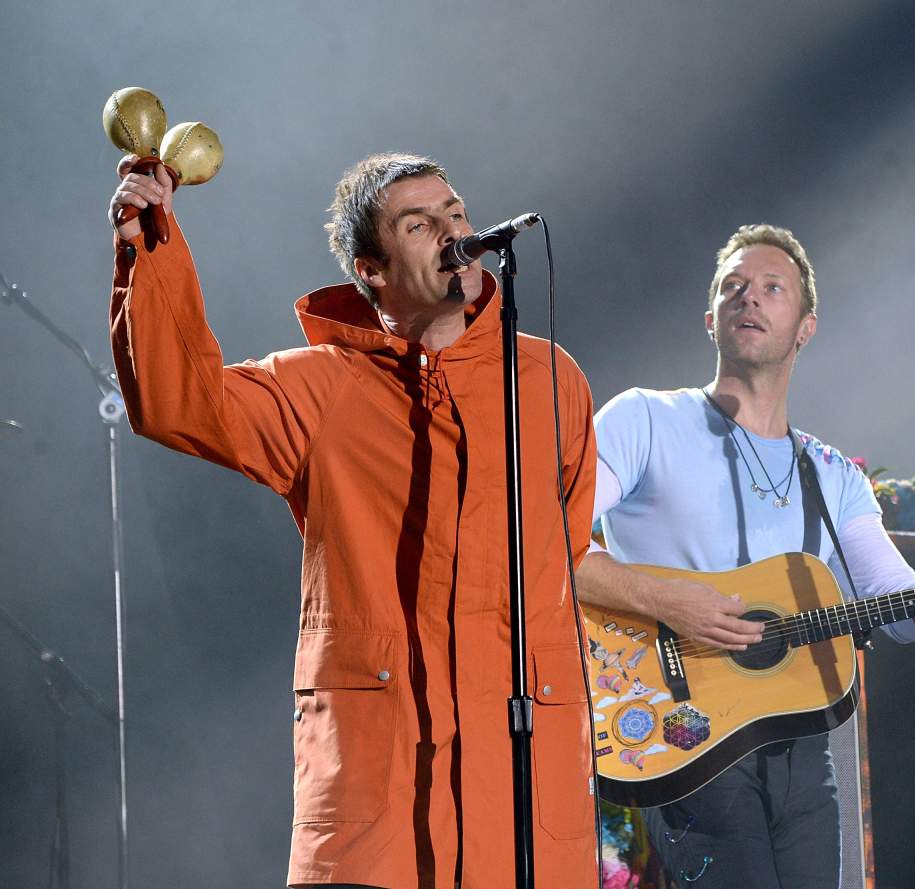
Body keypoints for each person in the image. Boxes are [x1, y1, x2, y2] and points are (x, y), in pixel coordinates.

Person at [106, 153, 597, 889]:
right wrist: (150, 244)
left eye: (456, 214)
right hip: (383, 792)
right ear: (372, 267)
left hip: (525, 786)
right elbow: (175, 401)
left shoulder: (550, 379)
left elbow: (566, 545)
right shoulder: (320, 387)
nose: (452, 233)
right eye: (419, 223)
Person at [577, 223, 915, 888]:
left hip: (801, 757)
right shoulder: (645, 420)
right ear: (710, 318)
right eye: (733, 287)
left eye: (773, 288)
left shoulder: (830, 474)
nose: (750, 298)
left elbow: (900, 607)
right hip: (681, 730)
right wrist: (667, 601)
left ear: (805, 327)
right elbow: (545, 540)